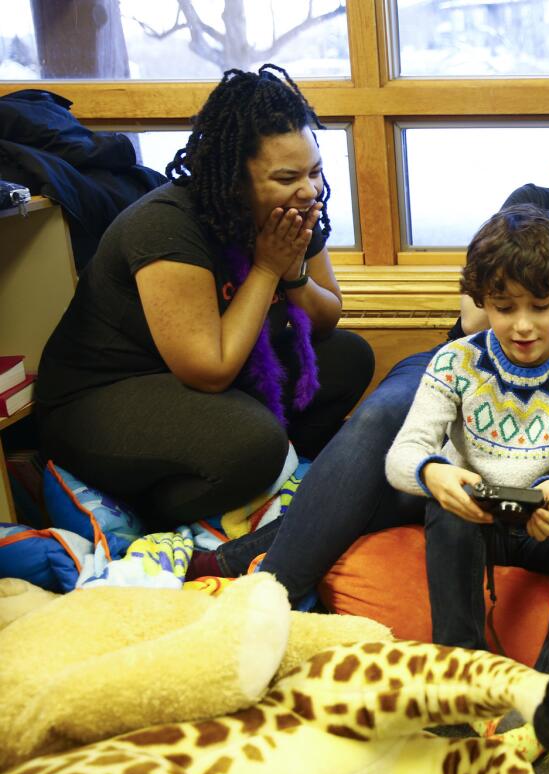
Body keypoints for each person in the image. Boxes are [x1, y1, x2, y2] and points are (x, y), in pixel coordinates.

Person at [205, 115, 549, 605]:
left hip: (544, 414)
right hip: (460, 369)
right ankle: (269, 596)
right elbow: (475, 319)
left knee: (402, 488)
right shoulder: (534, 206)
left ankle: (241, 569)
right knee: (382, 419)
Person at [35, 64, 373, 529]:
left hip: (201, 381)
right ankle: (154, 515)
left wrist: (292, 274)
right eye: (286, 176)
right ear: (234, 179)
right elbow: (209, 370)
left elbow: (327, 318)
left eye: (315, 171)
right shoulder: (167, 226)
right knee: (254, 446)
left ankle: (273, 478)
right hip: (103, 395)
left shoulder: (293, 210)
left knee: (349, 357)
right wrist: (267, 269)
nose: (308, 189)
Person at [385, 204, 549, 755]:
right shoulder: (455, 361)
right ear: (481, 303)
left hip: (546, 524)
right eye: (503, 307)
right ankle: (462, 675)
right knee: (441, 510)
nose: (522, 325)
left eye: (540, 307)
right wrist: (436, 474)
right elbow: (402, 456)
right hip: (476, 521)